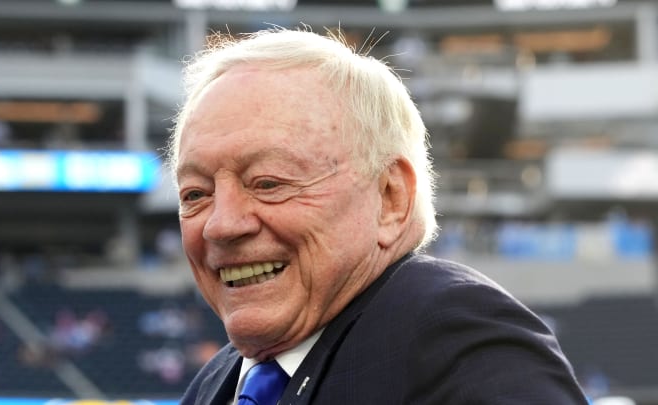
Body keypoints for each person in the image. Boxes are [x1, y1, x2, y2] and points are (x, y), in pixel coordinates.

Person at [169, 28, 588, 404]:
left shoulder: (449, 337)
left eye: (268, 183)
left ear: (390, 198)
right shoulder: (214, 384)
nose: (221, 225)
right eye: (195, 194)